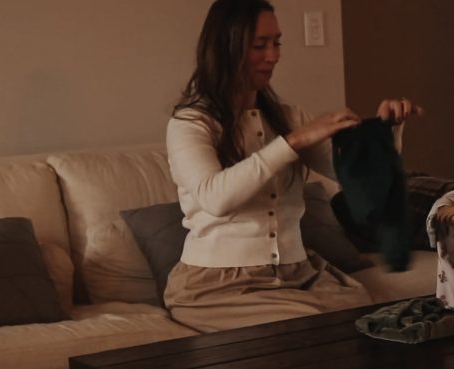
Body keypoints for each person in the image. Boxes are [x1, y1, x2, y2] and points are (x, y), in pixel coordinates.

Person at [164, 0, 420, 332]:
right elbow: (215, 198)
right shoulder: (189, 123)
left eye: (277, 42)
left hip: (297, 273)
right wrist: (293, 142)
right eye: (260, 45)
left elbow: (358, 178)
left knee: (367, 319)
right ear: (226, 47)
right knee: (313, 330)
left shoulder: (286, 117)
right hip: (217, 286)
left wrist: (387, 131)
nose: (273, 56)